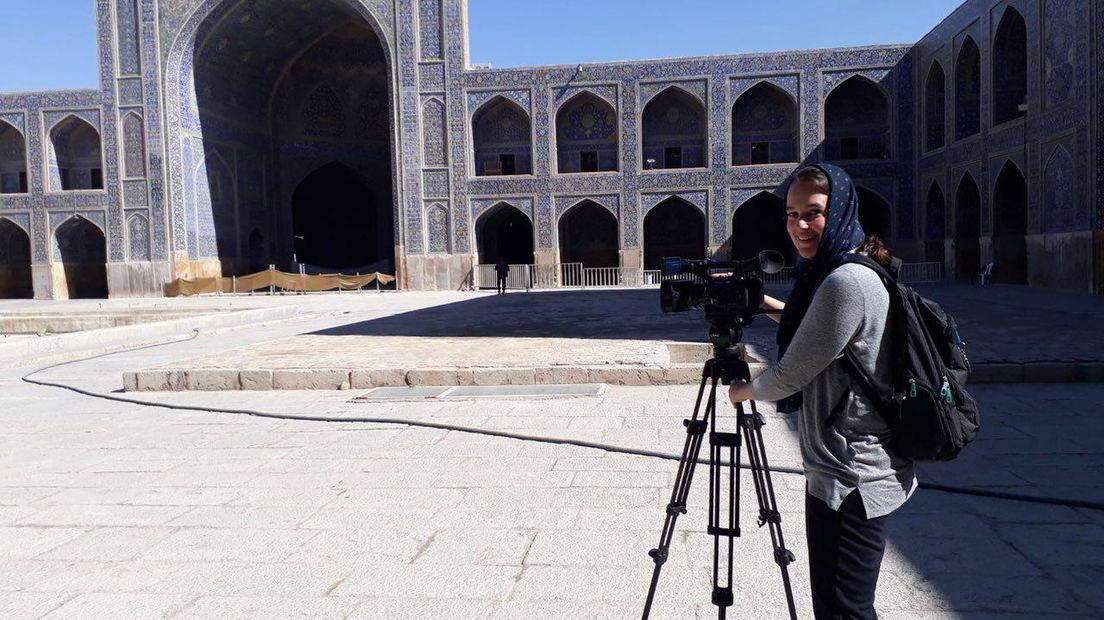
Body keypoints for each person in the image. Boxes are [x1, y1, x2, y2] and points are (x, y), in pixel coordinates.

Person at [727, 163, 915, 620]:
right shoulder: (844, 270)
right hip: (838, 471)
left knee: (845, 610)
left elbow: (791, 374)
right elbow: (821, 335)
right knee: (835, 606)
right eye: (791, 215)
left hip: (853, 476)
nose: (800, 226)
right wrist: (768, 305)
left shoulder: (844, 281)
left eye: (813, 213)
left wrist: (742, 392)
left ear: (843, 209)